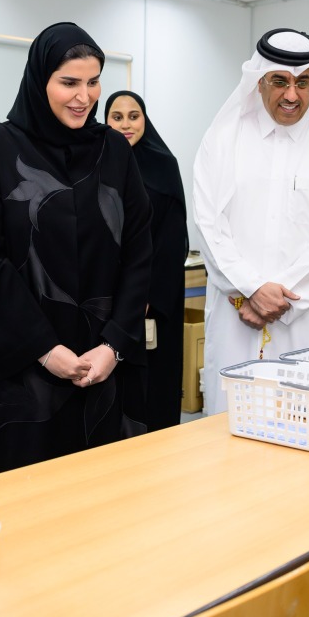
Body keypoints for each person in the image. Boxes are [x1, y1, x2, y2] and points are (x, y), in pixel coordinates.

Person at [0, 23, 152, 483]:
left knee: (98, 501)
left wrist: (114, 346)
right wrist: (44, 350)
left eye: (93, 81)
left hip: (102, 363)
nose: (84, 97)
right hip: (19, 366)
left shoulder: (114, 152)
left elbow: (141, 251)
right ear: (40, 80)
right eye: (69, 82)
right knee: (24, 499)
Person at [193, 28, 309, 414]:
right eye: (280, 81)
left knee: (306, 424)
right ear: (259, 82)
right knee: (229, 431)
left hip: (303, 318)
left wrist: (276, 299)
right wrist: (249, 289)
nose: (291, 95)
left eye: (303, 82)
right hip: (237, 314)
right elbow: (208, 224)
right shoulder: (221, 142)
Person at [105, 91, 189, 431]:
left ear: (145, 120)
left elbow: (171, 242)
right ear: (105, 120)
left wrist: (145, 296)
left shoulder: (163, 165)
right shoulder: (96, 160)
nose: (126, 124)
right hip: (106, 296)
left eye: (134, 116)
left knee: (151, 386)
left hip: (152, 301)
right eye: (117, 116)